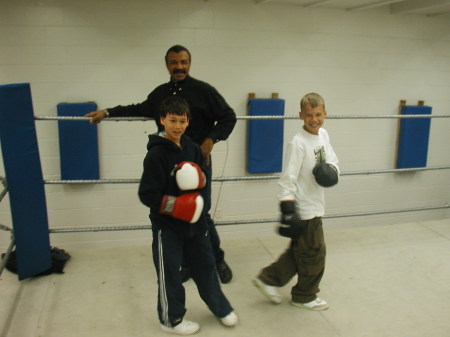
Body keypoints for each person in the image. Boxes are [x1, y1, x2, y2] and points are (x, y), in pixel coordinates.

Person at [85, 45, 235, 283]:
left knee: (200, 211)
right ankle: (186, 263)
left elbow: (228, 116)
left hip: (198, 162)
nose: (179, 66)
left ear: (190, 63)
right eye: (174, 62)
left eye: (183, 62)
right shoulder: (160, 93)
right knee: (176, 212)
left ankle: (216, 260)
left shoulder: (204, 91)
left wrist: (210, 140)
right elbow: (138, 109)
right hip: (169, 166)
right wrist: (108, 112)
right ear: (167, 65)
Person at [138, 96, 237, 335]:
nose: (178, 126)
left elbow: (202, 179)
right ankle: (171, 319)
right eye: (172, 120)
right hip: (168, 226)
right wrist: (175, 206)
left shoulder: (192, 147)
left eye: (182, 121)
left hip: (195, 222)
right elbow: (147, 194)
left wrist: (199, 183)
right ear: (162, 120)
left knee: (206, 265)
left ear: (188, 121)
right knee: (170, 272)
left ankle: (220, 307)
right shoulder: (156, 155)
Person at [251, 93, 339, 311]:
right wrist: (287, 206)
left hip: (316, 204)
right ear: (301, 115)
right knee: (314, 254)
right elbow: (287, 178)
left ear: (325, 114)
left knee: (299, 251)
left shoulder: (323, 135)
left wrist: (333, 171)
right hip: (305, 208)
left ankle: (268, 280)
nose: (314, 119)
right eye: (309, 115)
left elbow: (333, 160)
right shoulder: (298, 143)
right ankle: (304, 296)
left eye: (318, 114)